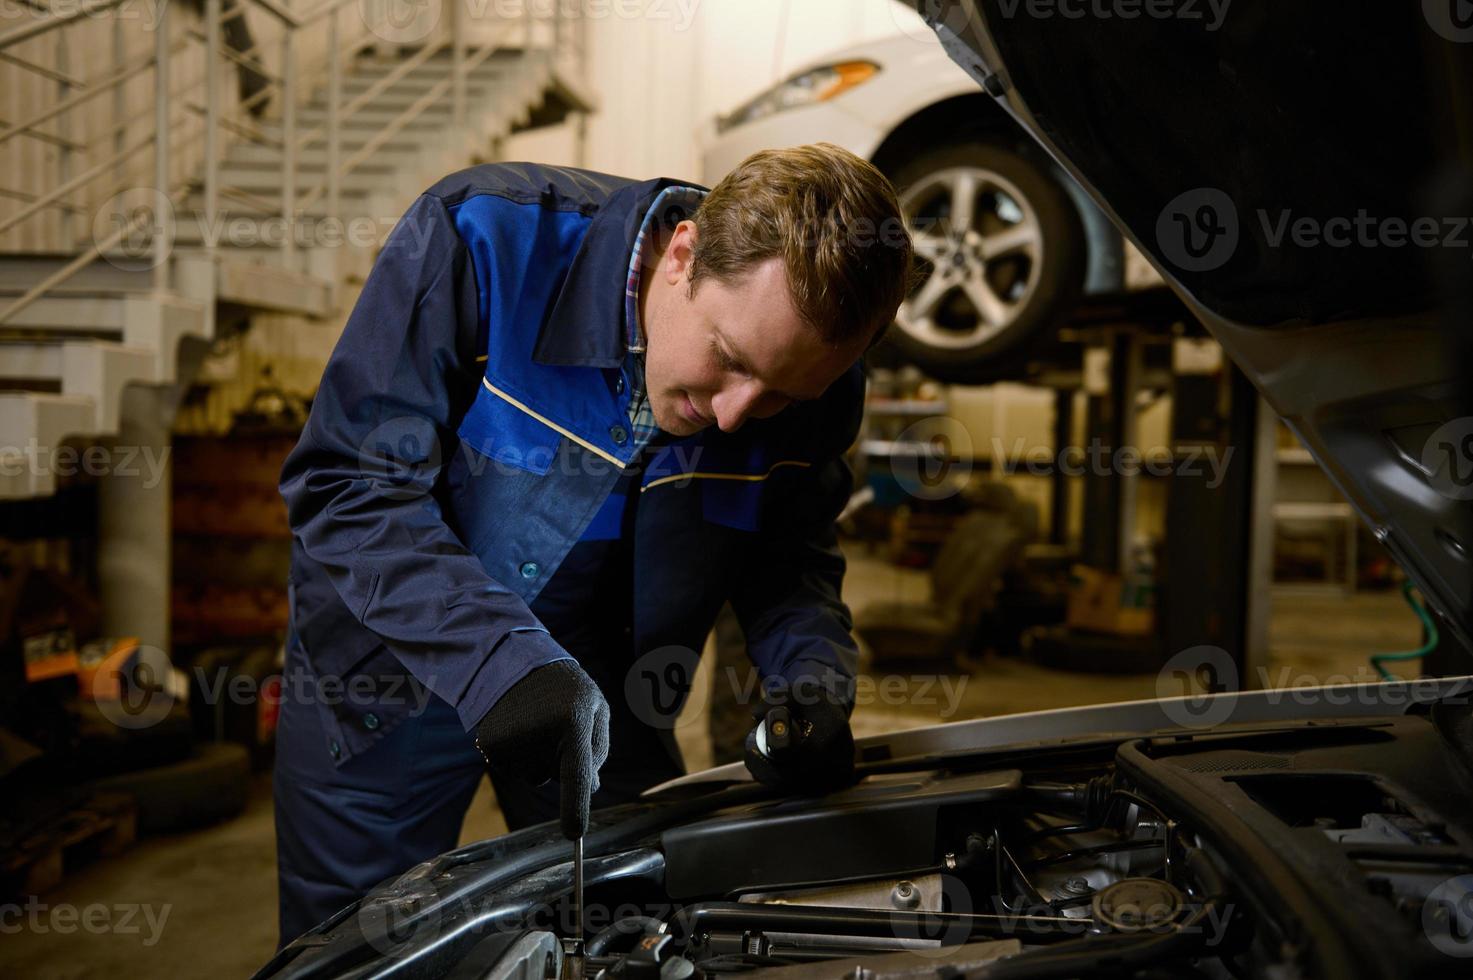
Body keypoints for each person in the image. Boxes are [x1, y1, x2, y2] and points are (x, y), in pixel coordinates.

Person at [272, 143, 913, 944]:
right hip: (391, 676)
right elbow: (346, 484)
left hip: (605, 696)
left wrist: (811, 681)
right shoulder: (482, 239)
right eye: (727, 360)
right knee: (359, 949)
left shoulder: (817, 374)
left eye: (781, 395)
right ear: (682, 256)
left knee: (629, 936)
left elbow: (788, 560)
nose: (734, 415)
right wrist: (498, 667)